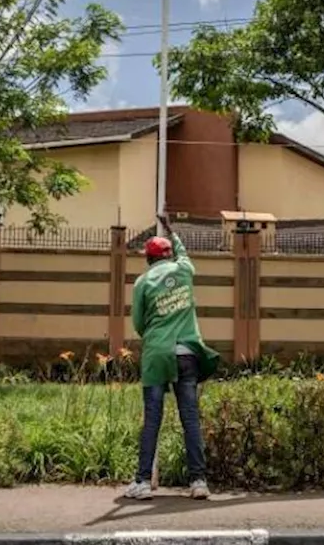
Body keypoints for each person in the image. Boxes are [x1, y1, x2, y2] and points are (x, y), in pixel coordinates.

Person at [124, 214, 220, 500]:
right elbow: (184, 253)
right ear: (170, 254)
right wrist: (172, 230)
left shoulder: (142, 282)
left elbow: (139, 324)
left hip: (157, 355)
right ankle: (198, 481)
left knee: (152, 418)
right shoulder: (184, 270)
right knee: (189, 418)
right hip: (187, 352)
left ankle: (142, 482)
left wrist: (157, 332)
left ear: (148, 259)